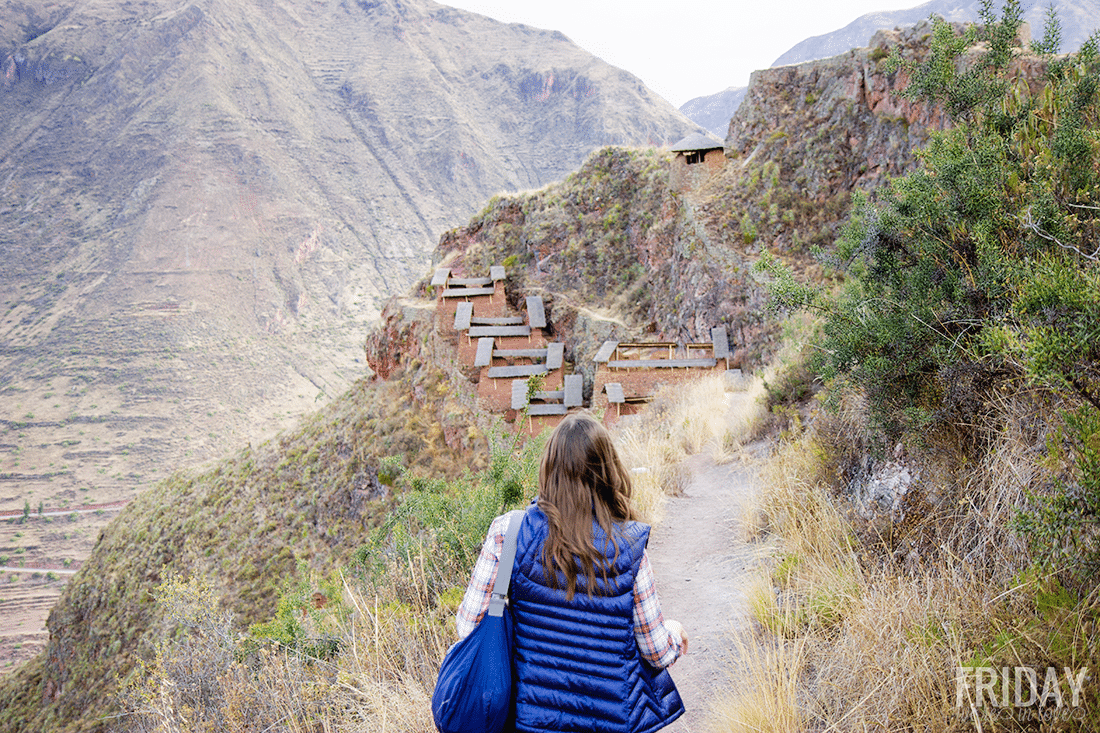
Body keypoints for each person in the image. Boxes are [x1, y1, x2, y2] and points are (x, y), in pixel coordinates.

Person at [457, 411, 688, 733]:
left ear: (548, 469)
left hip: (532, 721)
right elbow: (656, 651)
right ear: (608, 471)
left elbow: (470, 626)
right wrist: (674, 633)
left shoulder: (508, 532)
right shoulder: (630, 546)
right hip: (611, 722)